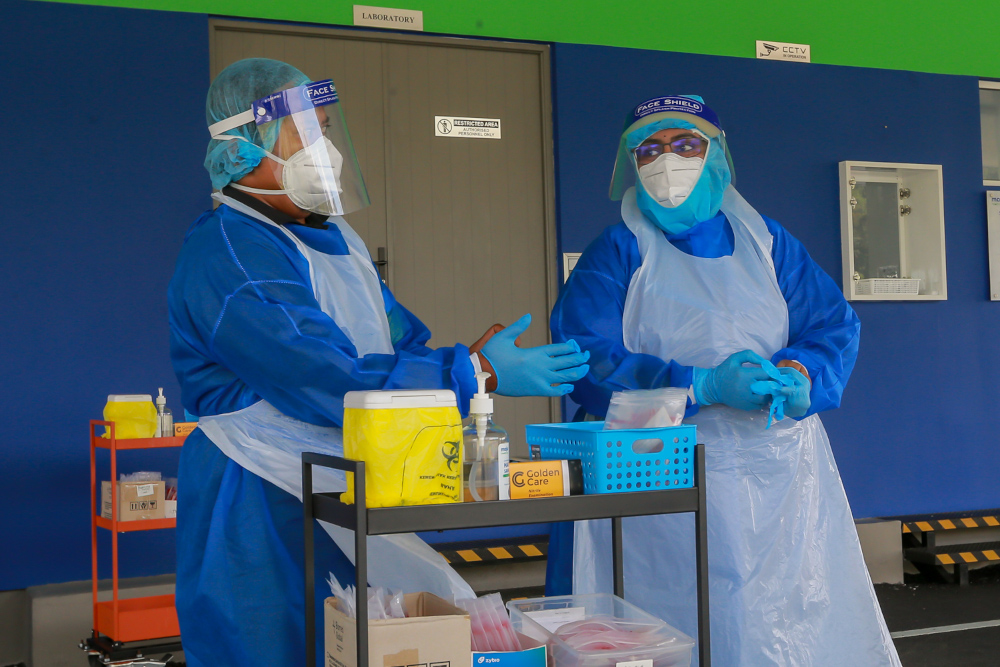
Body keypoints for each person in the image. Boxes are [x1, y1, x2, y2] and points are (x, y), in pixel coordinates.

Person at [168, 58, 590, 667]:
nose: (326, 149)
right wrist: (475, 373)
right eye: (305, 133)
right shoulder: (229, 250)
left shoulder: (340, 242)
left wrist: (466, 364)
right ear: (241, 149)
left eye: (326, 129)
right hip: (256, 491)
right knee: (271, 644)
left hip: (344, 474)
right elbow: (320, 375)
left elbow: (399, 344)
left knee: (365, 642)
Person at [549, 95, 900, 666]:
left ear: (717, 156)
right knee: (663, 619)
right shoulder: (617, 251)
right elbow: (585, 359)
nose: (668, 162)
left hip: (779, 473)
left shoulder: (769, 245)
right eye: (651, 149)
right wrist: (699, 385)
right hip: (656, 470)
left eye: (686, 145)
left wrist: (799, 371)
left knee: (782, 619)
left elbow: (830, 322)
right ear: (631, 166)